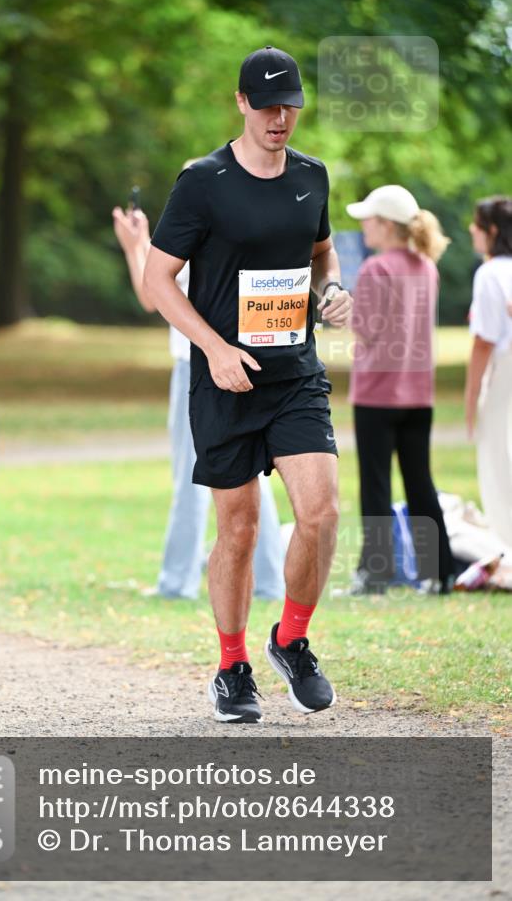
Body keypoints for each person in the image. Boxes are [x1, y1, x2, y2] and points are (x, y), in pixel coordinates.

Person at [143, 46, 351, 723]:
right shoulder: (202, 182)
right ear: (240, 104)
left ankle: (290, 640)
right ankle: (232, 666)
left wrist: (334, 288)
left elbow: (322, 253)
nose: (279, 118)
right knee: (238, 530)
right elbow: (156, 280)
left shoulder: (311, 176)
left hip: (294, 374)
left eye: (289, 105)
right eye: (266, 106)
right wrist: (212, 348)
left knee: (319, 515)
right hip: (225, 382)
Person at [112, 198, 285, 600]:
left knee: (189, 477)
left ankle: (177, 583)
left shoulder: (191, 235)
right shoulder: (239, 236)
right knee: (250, 472)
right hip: (242, 362)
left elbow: (151, 295)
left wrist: (132, 246)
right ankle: (271, 579)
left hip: (196, 367)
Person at [346, 185, 455, 594]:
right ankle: (441, 572)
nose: (363, 227)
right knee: (419, 481)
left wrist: (344, 311)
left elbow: (369, 330)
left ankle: (376, 574)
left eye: (368, 220)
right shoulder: (426, 266)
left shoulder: (376, 269)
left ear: (386, 225)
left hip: (377, 393)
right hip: (417, 393)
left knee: (375, 483)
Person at [465, 196, 512, 547]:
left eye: (477, 224)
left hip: (502, 374)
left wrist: (471, 401)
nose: (471, 229)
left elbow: (484, 343)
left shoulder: (489, 273)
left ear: (492, 231)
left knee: (499, 464)